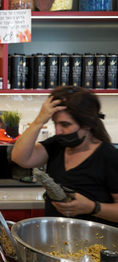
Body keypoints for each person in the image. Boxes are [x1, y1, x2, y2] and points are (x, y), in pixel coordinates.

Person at [11, 86, 118, 227]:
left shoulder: (109, 157)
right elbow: (21, 158)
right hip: (56, 240)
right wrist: (39, 121)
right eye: (55, 123)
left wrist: (93, 207)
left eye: (65, 124)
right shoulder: (57, 145)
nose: (58, 131)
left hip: (94, 243)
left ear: (87, 123)